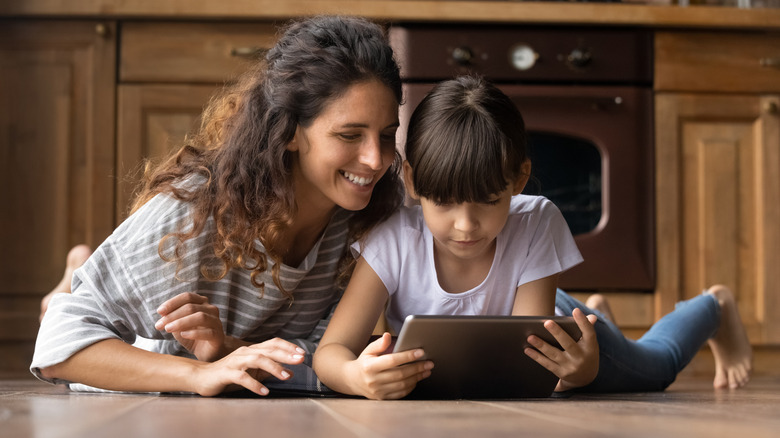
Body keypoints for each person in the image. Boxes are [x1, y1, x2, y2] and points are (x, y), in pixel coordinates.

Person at [312, 76, 753, 400]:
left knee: (656, 367)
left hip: (549, 323)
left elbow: (534, 367)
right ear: (412, 181)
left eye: (487, 202)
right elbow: (331, 351)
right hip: (547, 322)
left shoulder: (536, 219)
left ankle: (714, 306)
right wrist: (355, 377)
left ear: (519, 179)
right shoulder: (391, 241)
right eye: (444, 203)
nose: (466, 226)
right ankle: (597, 312)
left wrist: (580, 372)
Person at [31, 15, 405, 397]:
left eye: (387, 135)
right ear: (289, 131)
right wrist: (198, 374)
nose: (376, 160)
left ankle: (80, 273)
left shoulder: (368, 223)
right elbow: (57, 345)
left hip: (242, 388)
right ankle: (72, 277)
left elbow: (323, 363)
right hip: (149, 362)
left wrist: (225, 351)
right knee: (59, 310)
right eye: (349, 135)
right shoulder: (192, 211)